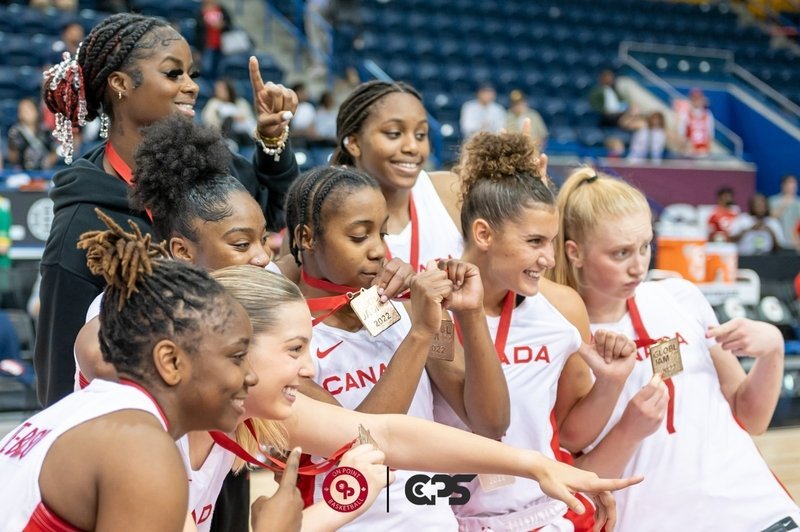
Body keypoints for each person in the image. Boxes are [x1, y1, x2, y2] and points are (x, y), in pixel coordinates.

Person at [214, 264, 645, 532]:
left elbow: (387, 433)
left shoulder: (256, 410)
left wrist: (536, 464)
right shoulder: (174, 439)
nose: (308, 367)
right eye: (294, 350)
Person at [35, 13, 298, 409]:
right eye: (174, 73)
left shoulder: (208, 167)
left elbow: (276, 214)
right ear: (120, 84)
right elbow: (60, 384)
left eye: (192, 73)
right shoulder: (81, 223)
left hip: (235, 409)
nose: (191, 86)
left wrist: (272, 139)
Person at [549, 167, 800, 532]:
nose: (638, 266)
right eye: (620, 253)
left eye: (645, 246)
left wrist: (772, 350)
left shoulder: (680, 296)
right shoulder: (561, 334)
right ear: (575, 253)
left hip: (757, 512)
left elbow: (750, 417)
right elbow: (573, 474)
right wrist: (629, 429)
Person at [0, 210, 259, 531]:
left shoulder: (96, 410)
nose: (251, 375)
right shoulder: (139, 447)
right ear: (170, 361)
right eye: (237, 356)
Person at [285, 166, 512, 530]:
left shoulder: (404, 311)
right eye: (359, 236)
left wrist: (470, 314)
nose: (379, 250)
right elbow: (364, 443)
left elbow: (490, 423)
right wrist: (420, 333)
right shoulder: (287, 339)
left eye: (383, 233)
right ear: (306, 237)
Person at [441, 132, 637, 531]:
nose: (548, 258)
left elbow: (569, 434)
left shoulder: (562, 308)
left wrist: (611, 383)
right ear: (483, 234)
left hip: (544, 515)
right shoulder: (432, 307)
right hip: (446, 518)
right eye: (534, 241)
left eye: (551, 242)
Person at [201, 78, 257, 151]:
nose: (219, 91)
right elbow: (209, 121)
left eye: (222, 89)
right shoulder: (213, 103)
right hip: (223, 134)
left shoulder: (241, 102)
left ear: (229, 89)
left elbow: (249, 120)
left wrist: (239, 117)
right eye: (217, 89)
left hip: (243, 135)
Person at [6, 98, 58, 171]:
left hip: (44, 172)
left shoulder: (46, 130)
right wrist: (13, 151)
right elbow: (13, 158)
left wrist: (49, 162)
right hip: (23, 172)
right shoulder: (15, 132)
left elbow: (54, 151)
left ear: (37, 110)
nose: (26, 113)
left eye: (29, 109)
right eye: (22, 110)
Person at [195, 0, 232, 81]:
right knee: (206, 69)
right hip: (206, 46)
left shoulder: (222, 9)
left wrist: (222, 25)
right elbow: (198, 31)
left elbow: (229, 25)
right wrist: (198, 50)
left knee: (220, 70)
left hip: (222, 46)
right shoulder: (201, 11)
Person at [678, 87, 714, 156]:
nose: (696, 101)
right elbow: (682, 135)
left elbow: (710, 135)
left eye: (698, 98)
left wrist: (708, 151)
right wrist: (686, 147)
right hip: (689, 152)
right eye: (694, 99)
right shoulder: (685, 114)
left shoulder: (708, 114)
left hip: (703, 152)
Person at [769, 174, 800, 250]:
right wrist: (785, 203)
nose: (791, 187)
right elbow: (770, 218)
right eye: (789, 184)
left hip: (796, 243)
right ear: (783, 185)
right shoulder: (773, 201)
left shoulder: (798, 202)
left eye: (794, 184)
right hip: (777, 242)